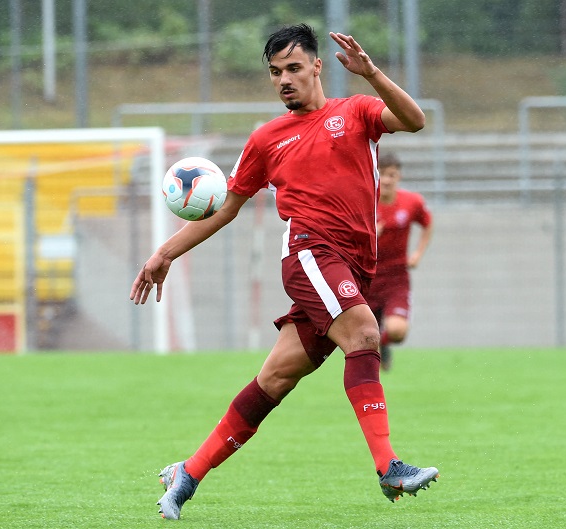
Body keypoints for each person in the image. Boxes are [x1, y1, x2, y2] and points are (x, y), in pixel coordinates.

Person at [130, 23, 439, 520]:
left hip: (353, 266)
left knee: (275, 378)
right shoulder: (266, 139)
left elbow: (415, 120)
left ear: (317, 66)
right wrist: (164, 253)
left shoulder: (356, 111)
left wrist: (371, 73)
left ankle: (188, 473)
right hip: (310, 254)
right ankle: (389, 467)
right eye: (275, 72)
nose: (284, 80)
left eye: (293, 68)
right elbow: (226, 208)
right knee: (365, 334)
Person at [368, 152, 433, 371]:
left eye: (391, 175)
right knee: (362, 337)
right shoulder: (364, 203)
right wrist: (369, 235)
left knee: (397, 332)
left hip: (396, 278)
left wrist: (418, 254)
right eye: (382, 174)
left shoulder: (412, 202)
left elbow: (427, 223)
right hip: (366, 278)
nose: (386, 180)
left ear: (399, 176)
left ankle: (383, 343)